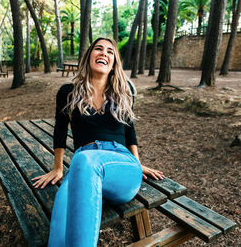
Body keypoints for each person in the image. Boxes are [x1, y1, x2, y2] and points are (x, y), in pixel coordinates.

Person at [32, 37, 164, 247]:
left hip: (119, 163)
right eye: (98, 49)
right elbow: (59, 130)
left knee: (85, 160)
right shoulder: (68, 92)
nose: (104, 53)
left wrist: (137, 163)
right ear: (89, 56)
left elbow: (130, 131)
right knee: (59, 228)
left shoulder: (125, 90)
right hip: (83, 167)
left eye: (110, 51)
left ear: (113, 63)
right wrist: (58, 168)